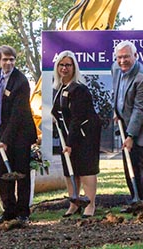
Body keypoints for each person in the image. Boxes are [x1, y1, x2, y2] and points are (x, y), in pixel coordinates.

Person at [0, 45, 38, 224]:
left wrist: (6, 140)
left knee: (21, 173)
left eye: (11, 59)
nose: (8, 63)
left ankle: (23, 212)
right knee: (3, 172)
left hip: (21, 133)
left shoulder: (21, 82)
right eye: (5, 59)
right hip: (3, 130)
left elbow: (18, 114)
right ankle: (8, 210)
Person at [111, 41, 143, 214]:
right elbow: (116, 92)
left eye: (126, 57)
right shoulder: (116, 68)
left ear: (135, 56)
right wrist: (116, 110)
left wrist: (131, 135)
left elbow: (140, 110)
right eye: (119, 57)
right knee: (130, 166)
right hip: (126, 122)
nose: (122, 61)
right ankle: (136, 201)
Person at [51, 50, 103, 218]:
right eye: (61, 64)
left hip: (84, 136)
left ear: (74, 67)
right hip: (68, 135)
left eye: (68, 65)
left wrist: (70, 144)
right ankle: (74, 204)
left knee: (86, 169)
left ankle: (90, 204)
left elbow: (77, 118)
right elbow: (58, 112)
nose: (64, 68)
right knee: (70, 169)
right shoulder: (60, 88)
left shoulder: (79, 89)